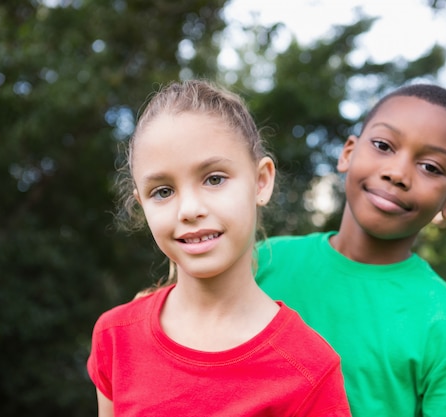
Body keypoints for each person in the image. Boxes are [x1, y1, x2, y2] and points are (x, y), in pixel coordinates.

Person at [87, 80, 351, 417]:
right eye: (163, 191)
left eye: (214, 179)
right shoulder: (115, 337)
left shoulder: (310, 368)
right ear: (141, 205)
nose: (189, 209)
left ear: (261, 181)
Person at [256, 84, 446, 417]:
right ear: (348, 153)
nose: (397, 173)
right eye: (383, 146)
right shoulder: (261, 264)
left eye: (430, 167)